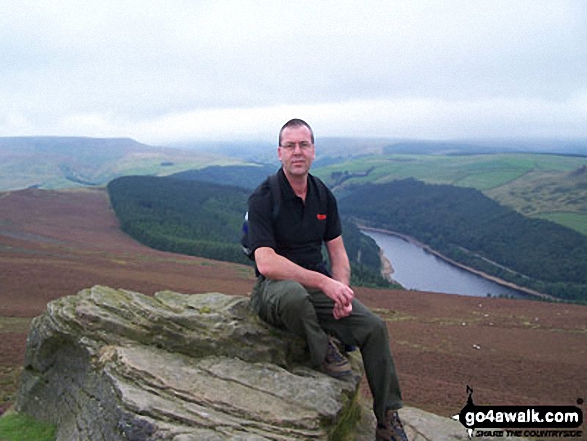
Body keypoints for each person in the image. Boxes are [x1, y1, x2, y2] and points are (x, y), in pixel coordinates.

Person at [246, 119, 408, 441]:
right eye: (290, 146)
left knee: (374, 327)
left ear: (313, 151)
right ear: (279, 153)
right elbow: (265, 262)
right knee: (294, 295)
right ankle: (324, 349)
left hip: (316, 288)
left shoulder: (323, 196)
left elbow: (338, 252)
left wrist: (342, 292)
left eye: (303, 145)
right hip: (273, 289)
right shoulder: (263, 197)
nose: (297, 152)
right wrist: (323, 283)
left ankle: (388, 418)